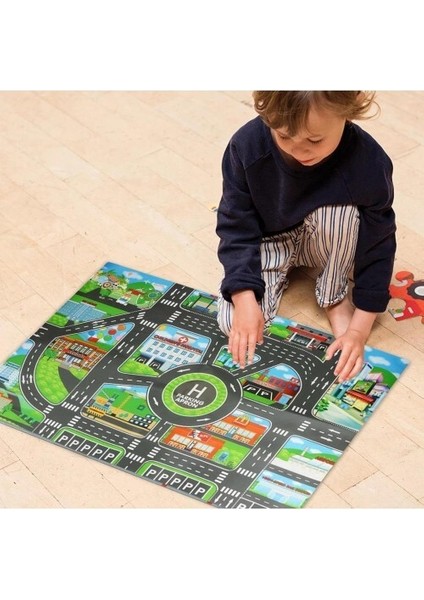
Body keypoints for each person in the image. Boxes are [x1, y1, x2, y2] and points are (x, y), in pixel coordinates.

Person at [216, 91, 396, 382]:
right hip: (271, 241)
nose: (299, 151)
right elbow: (236, 226)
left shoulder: (368, 162)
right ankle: (274, 281)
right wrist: (245, 298)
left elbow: (378, 243)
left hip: (326, 233)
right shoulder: (246, 146)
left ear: (347, 113)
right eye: (284, 136)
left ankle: (334, 297)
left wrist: (358, 331)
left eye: (314, 140)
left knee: (343, 212)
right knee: (231, 324)